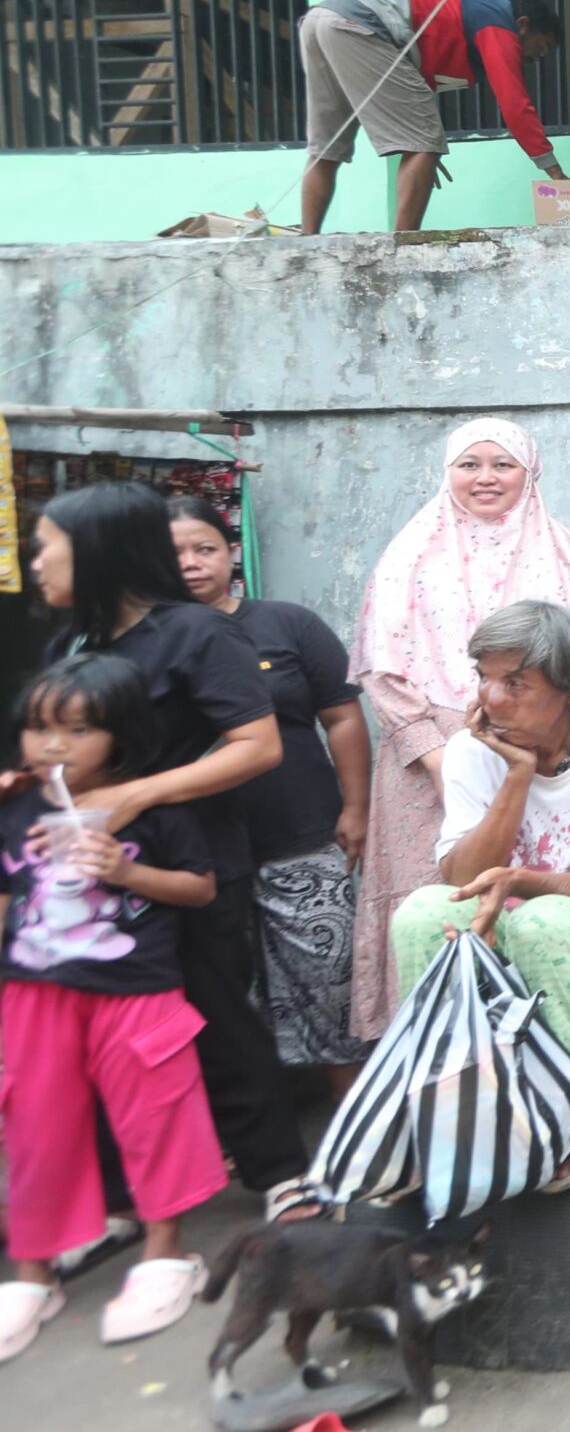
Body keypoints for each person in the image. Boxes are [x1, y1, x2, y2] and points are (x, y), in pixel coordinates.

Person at [25, 484, 303, 1205]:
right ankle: (126, 1198)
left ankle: (281, 1176)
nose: (34, 563)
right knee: (107, 1031)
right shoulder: (71, 645)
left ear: (97, 553)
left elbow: (257, 746)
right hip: (90, 872)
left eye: (46, 545)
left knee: (215, 1021)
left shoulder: (196, 633)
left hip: (192, 860)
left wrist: (137, 793)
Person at [392, 601, 570, 1192]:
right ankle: (444, 1110)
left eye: (515, 683)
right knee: (419, 913)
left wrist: (518, 883)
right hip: (512, 917)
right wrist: (518, 775)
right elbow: (459, 876)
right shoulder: (476, 750)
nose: (492, 699)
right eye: (485, 678)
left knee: (542, 923)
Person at [349, 418, 570, 1040]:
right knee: (434, 894)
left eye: (503, 464)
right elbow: (380, 665)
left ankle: (528, 1038)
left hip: (543, 747)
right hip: (427, 757)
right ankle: (427, 1045)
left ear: (530, 473)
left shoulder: (566, 551)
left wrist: (546, 739)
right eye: (470, 464)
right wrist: (440, 756)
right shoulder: (408, 553)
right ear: (448, 473)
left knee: (532, 890)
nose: (485, 478)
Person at [1, 656, 228, 1354]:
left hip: (136, 989)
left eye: (76, 730)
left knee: (155, 1116)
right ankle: (32, 1271)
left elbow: (201, 888)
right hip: (33, 993)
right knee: (33, 1126)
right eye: (39, 729)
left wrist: (125, 870)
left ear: (122, 735)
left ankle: (165, 1253)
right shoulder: (15, 806)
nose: (53, 747)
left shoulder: (150, 804)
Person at [167, 498, 370, 1079]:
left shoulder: (286, 624)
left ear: (231, 552)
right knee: (221, 985)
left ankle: (348, 1117)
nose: (191, 564)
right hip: (197, 847)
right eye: (173, 553)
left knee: (331, 977)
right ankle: (247, 1118)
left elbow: (342, 717)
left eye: (204, 549)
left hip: (301, 830)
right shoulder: (149, 639)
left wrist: (355, 806)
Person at [297, 0, 565, 234]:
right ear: (523, 25)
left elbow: (412, 87)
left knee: (326, 147)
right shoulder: (496, 21)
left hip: (319, 20)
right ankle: (403, 249)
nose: (536, 59)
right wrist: (555, 172)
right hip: (361, 24)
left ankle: (306, 240)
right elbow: (514, 104)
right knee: (422, 143)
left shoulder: (464, 19)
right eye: (540, 48)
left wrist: (423, 156)